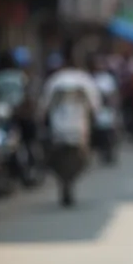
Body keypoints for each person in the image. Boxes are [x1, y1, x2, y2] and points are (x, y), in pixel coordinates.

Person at [38, 42, 101, 206]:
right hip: (79, 130)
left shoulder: (54, 81)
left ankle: (64, 183)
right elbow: (95, 107)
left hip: (58, 130)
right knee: (84, 159)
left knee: (55, 159)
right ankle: (69, 182)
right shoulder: (85, 80)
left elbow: (43, 107)